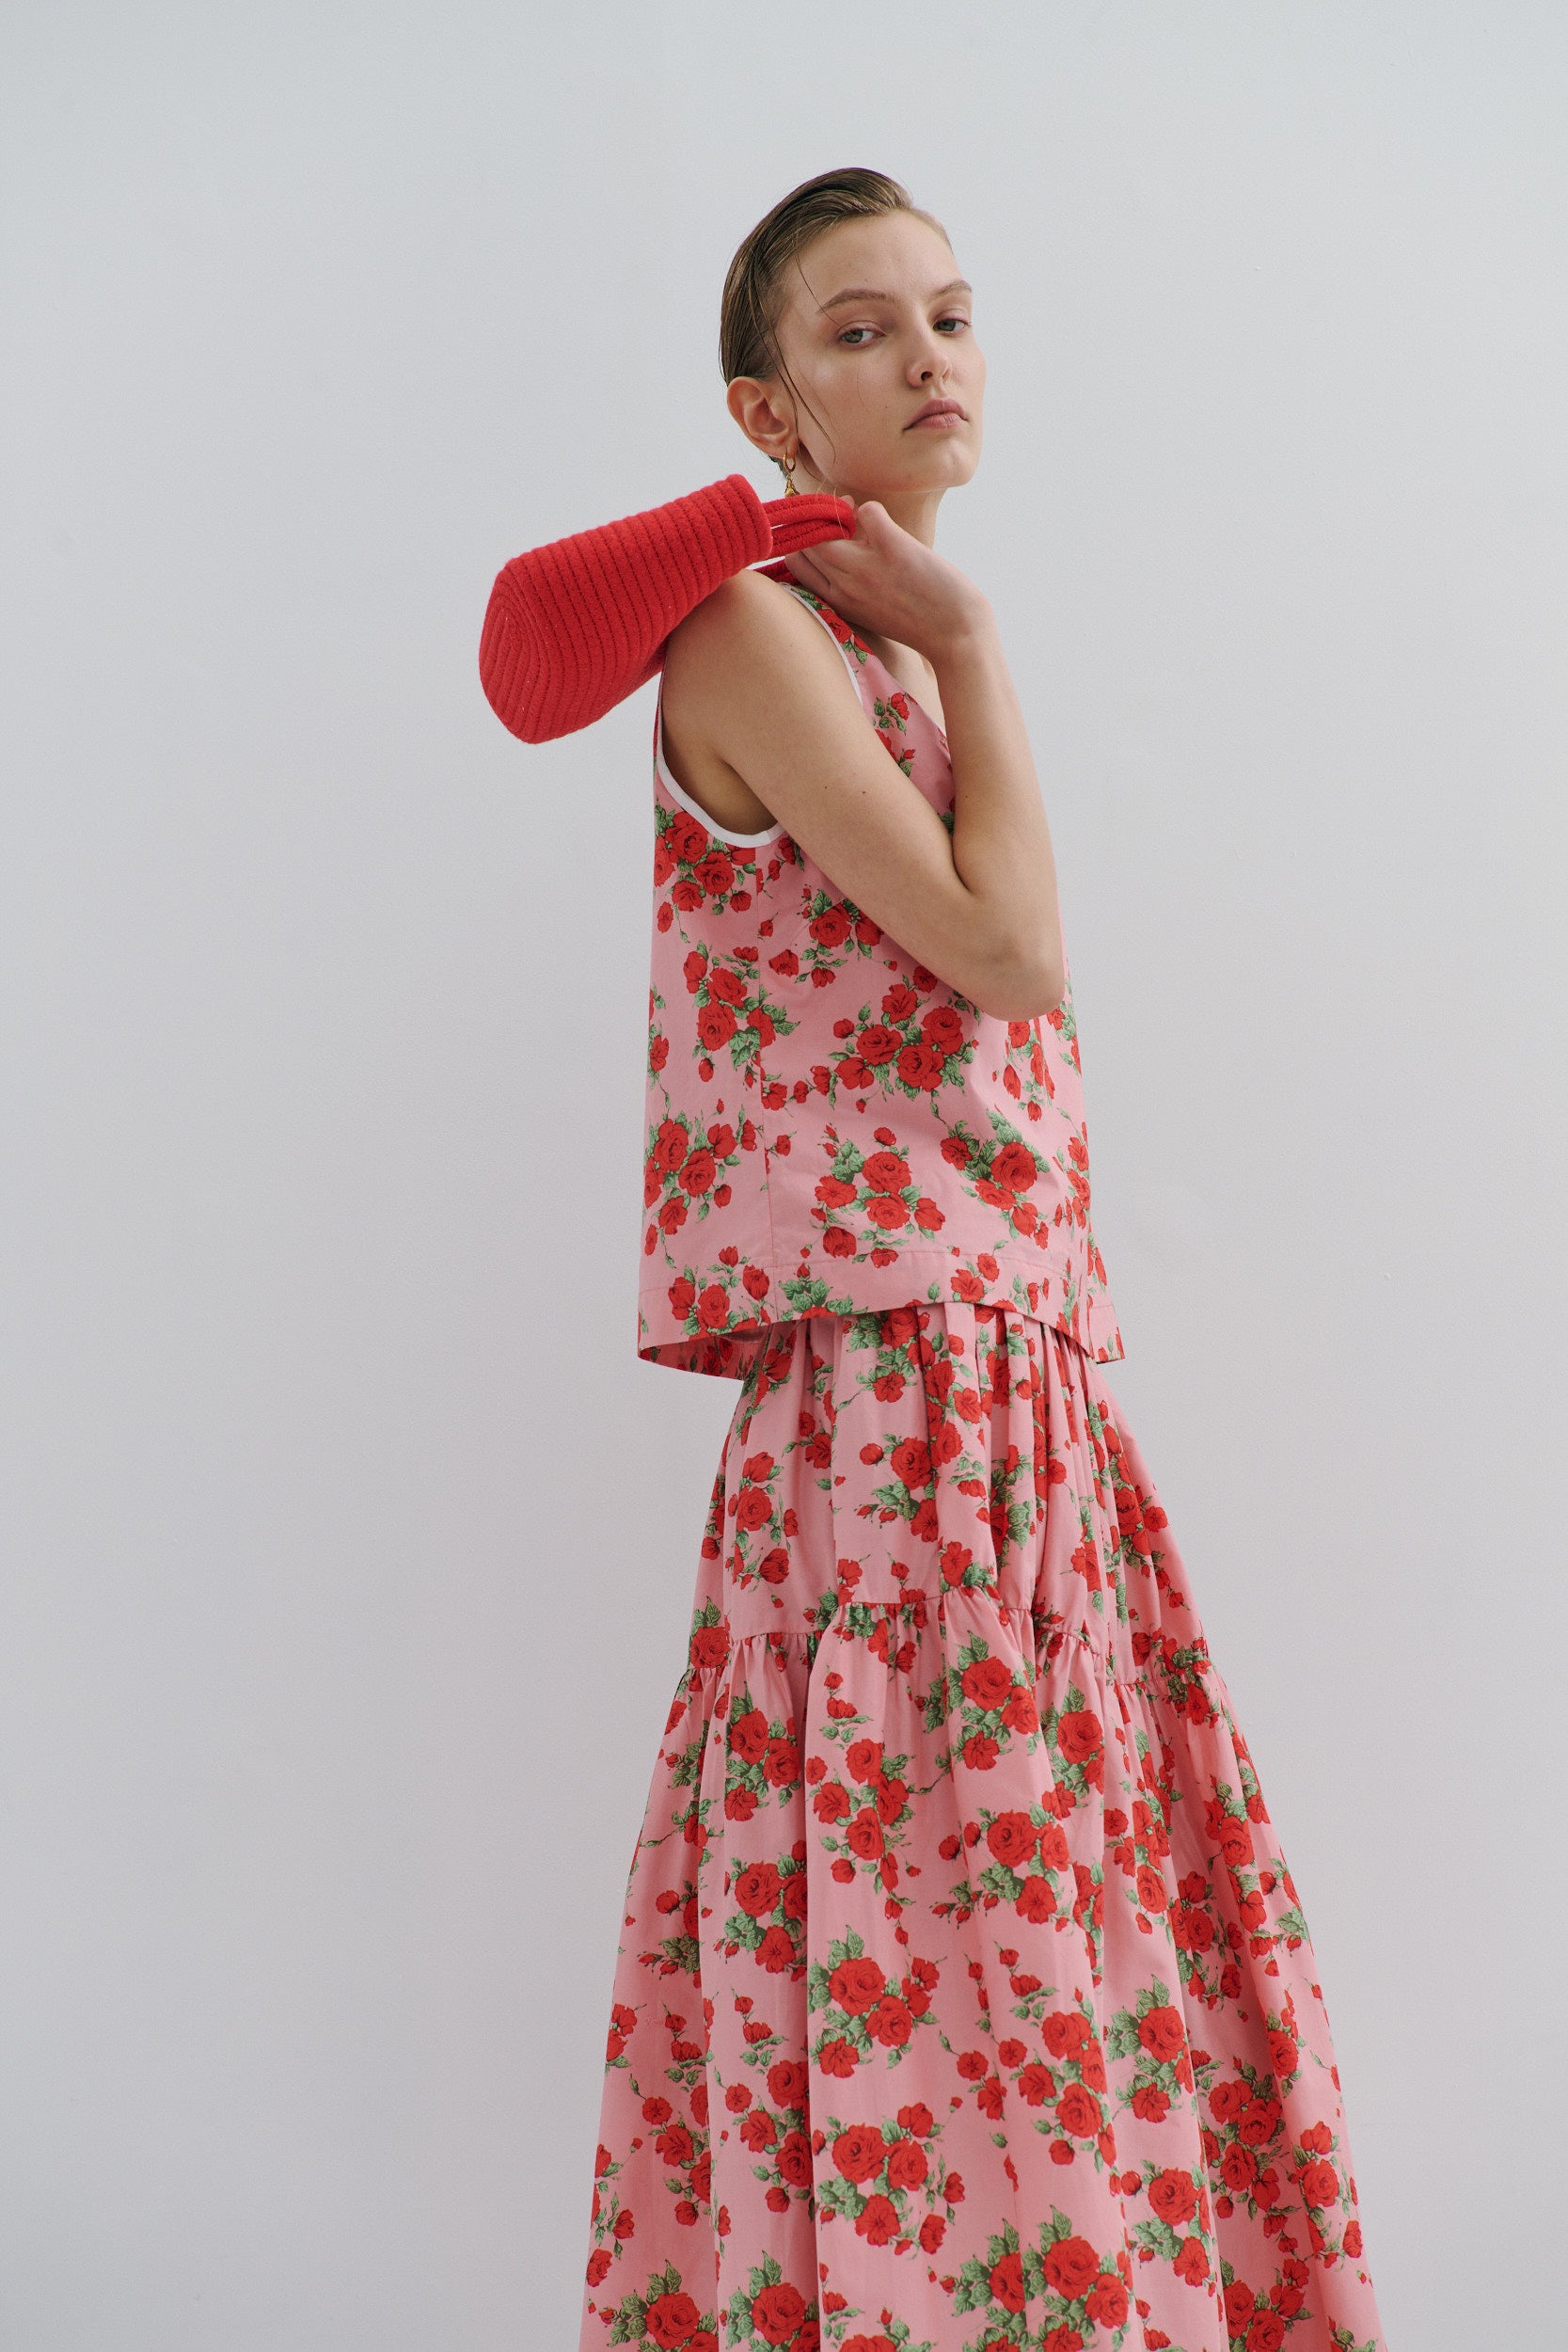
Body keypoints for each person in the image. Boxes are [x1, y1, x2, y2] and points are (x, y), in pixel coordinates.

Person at [578, 167, 1388, 2352]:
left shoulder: (868, 634)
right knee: (953, 1920)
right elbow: (1006, 946)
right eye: (860, 329)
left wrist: (942, 638)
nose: (928, 353)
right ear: (767, 403)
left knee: (1059, 1915)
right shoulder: (759, 631)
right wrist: (971, 635)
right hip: (901, 1387)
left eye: (952, 312)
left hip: (1013, 1384)